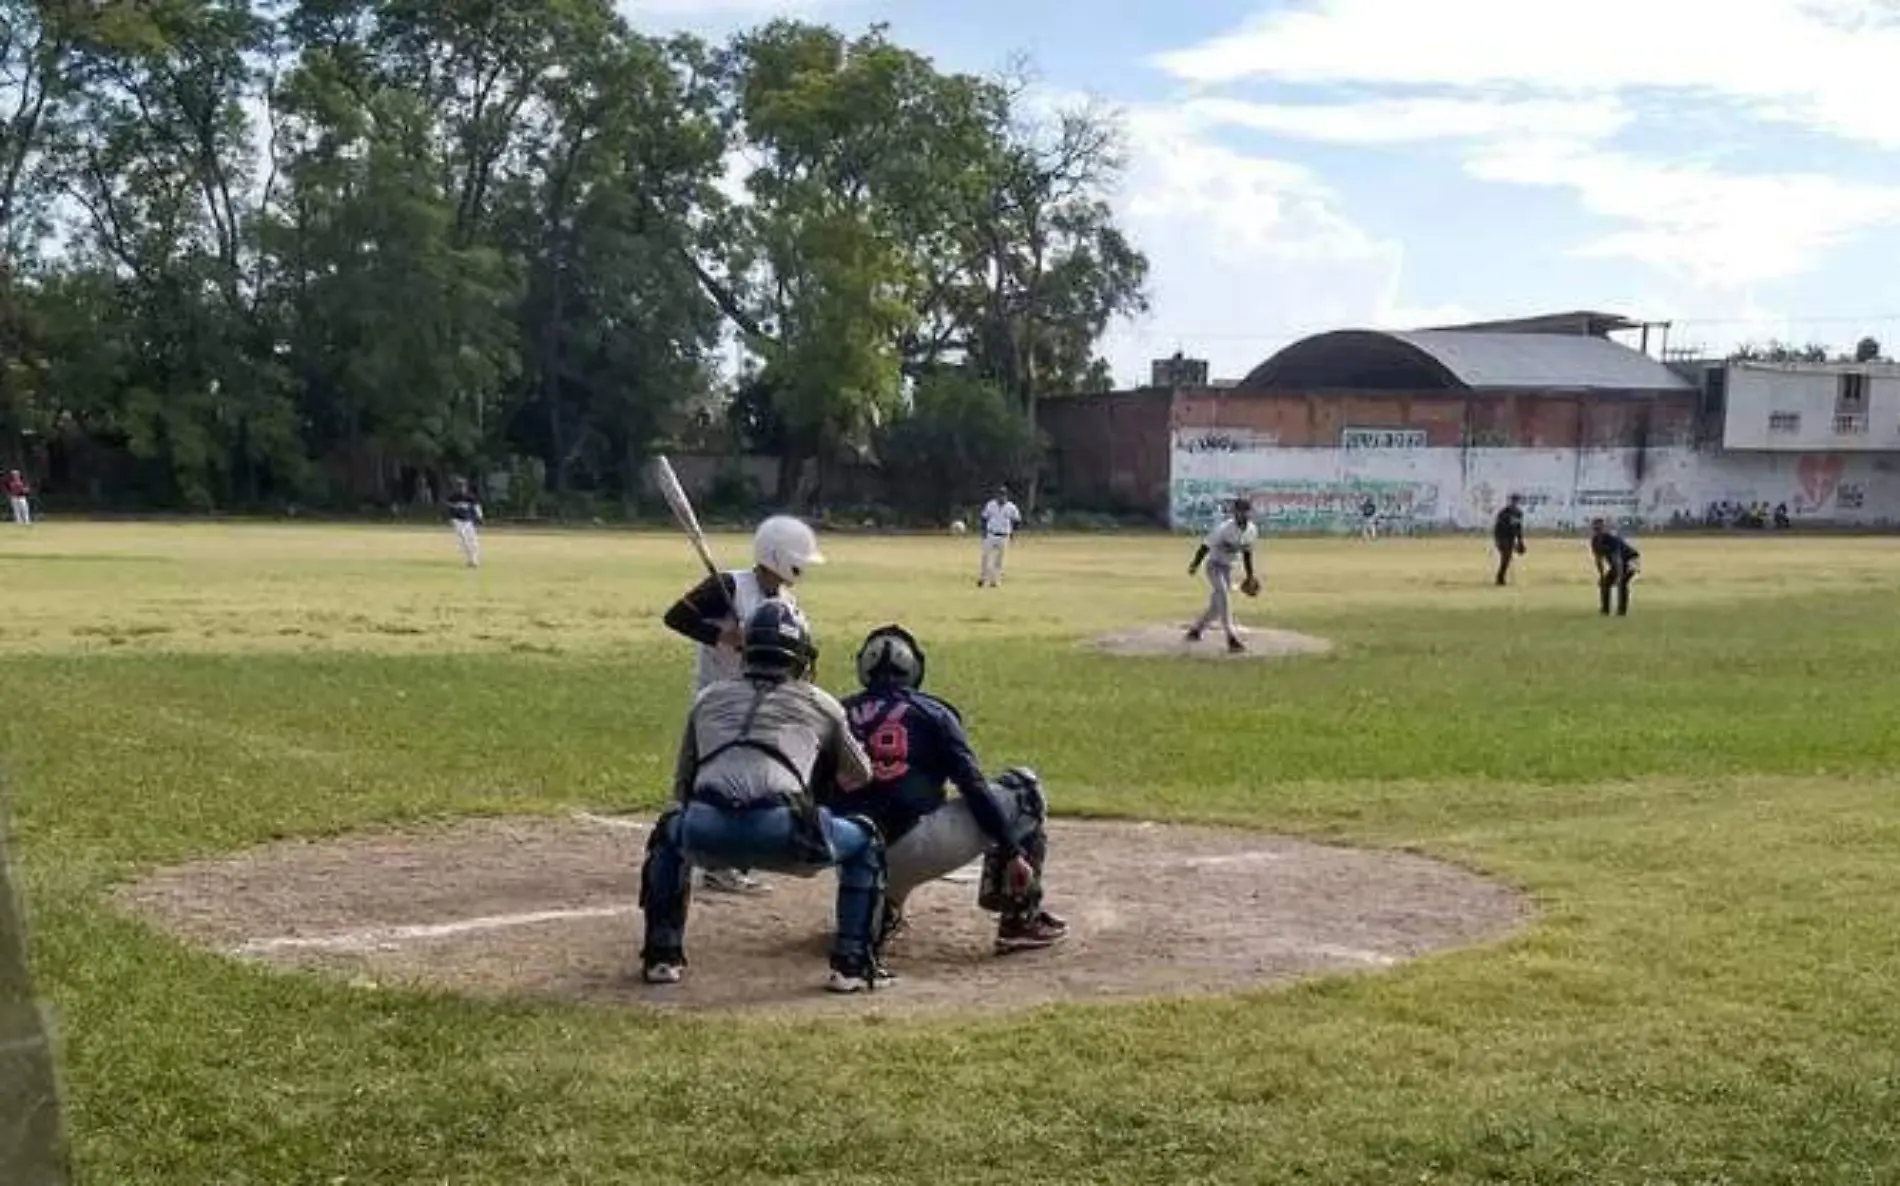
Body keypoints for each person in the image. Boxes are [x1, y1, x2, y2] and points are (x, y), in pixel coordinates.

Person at [638, 601, 891, 993]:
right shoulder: (821, 703)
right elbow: (861, 774)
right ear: (801, 656)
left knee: (669, 832)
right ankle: (851, 966)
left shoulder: (707, 698)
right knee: (866, 840)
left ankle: (661, 956)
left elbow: (682, 786)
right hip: (782, 831)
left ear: (746, 649)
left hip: (705, 830)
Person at [834, 625, 1068, 961]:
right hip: (912, 848)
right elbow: (972, 787)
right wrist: (1012, 849)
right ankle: (1020, 919)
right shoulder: (933, 711)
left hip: (850, 852)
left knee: (873, 814)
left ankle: (876, 908)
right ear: (914, 669)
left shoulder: (837, 712)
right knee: (1024, 787)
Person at [662, 514, 826, 894]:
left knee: (749, 786)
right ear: (780, 556)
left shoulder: (787, 601)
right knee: (709, 782)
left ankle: (724, 860)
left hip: (762, 710)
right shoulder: (730, 586)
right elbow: (676, 616)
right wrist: (721, 634)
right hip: (719, 704)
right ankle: (700, 857)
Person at [1186, 496, 1259, 654]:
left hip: (1227, 568)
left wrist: (1250, 576)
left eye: (1244, 511)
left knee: (1216, 607)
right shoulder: (1224, 528)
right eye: (1238, 511)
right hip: (1214, 566)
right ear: (1234, 513)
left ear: (1249, 513)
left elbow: (1247, 554)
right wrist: (1194, 564)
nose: (1241, 514)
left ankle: (1196, 630)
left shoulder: (1252, 530)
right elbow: (1205, 546)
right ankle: (1231, 637)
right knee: (1224, 595)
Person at [1589, 518, 1641, 617]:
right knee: (1604, 583)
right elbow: (1598, 560)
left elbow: (1618, 560)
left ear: (1604, 528)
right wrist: (1602, 575)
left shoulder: (1612, 539)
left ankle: (1621, 611)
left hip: (1631, 560)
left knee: (1622, 582)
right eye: (1595, 529)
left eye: (1599, 529)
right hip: (1618, 563)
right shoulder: (1595, 541)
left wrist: (1619, 576)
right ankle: (1605, 610)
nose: (1597, 531)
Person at [976, 485, 1023, 588]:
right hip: (991, 534)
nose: (1001, 497)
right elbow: (984, 518)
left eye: (1003, 495)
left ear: (1006, 496)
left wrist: (1013, 533)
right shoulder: (991, 505)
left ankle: (995, 581)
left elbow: (1017, 520)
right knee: (985, 557)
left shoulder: (1011, 507)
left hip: (1004, 536)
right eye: (999, 495)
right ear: (997, 495)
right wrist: (983, 532)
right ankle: (983, 579)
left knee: (999, 560)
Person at [445, 478, 482, 567]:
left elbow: (477, 507)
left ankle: (473, 559)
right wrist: (451, 518)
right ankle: (470, 559)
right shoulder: (453, 497)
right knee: (463, 538)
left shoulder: (470, 497)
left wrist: (480, 517)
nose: (461, 488)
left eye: (462, 486)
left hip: (468, 521)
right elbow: (449, 508)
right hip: (458, 521)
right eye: (459, 486)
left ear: (466, 487)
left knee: (473, 540)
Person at [1493, 494, 1527, 585]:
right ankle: (1500, 578)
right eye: (1513, 501)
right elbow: (1497, 527)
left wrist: (1520, 541)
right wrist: (1497, 540)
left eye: (1516, 501)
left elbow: (1518, 528)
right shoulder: (1504, 512)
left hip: (1510, 538)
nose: (1514, 503)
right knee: (1506, 557)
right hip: (1502, 537)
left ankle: (1501, 577)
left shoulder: (1519, 513)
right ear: (1510, 501)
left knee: (1507, 558)